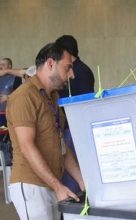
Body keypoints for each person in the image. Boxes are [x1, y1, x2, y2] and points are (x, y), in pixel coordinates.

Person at [7, 42, 84, 220]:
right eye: (68, 67)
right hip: (31, 185)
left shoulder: (53, 98)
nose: (72, 75)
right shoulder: (24, 96)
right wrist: (57, 186)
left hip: (52, 184)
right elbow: (27, 146)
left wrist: (81, 180)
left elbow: (62, 146)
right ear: (50, 63)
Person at [55, 35, 95, 193]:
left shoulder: (80, 71)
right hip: (71, 128)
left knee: (72, 174)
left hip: (74, 129)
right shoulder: (82, 69)